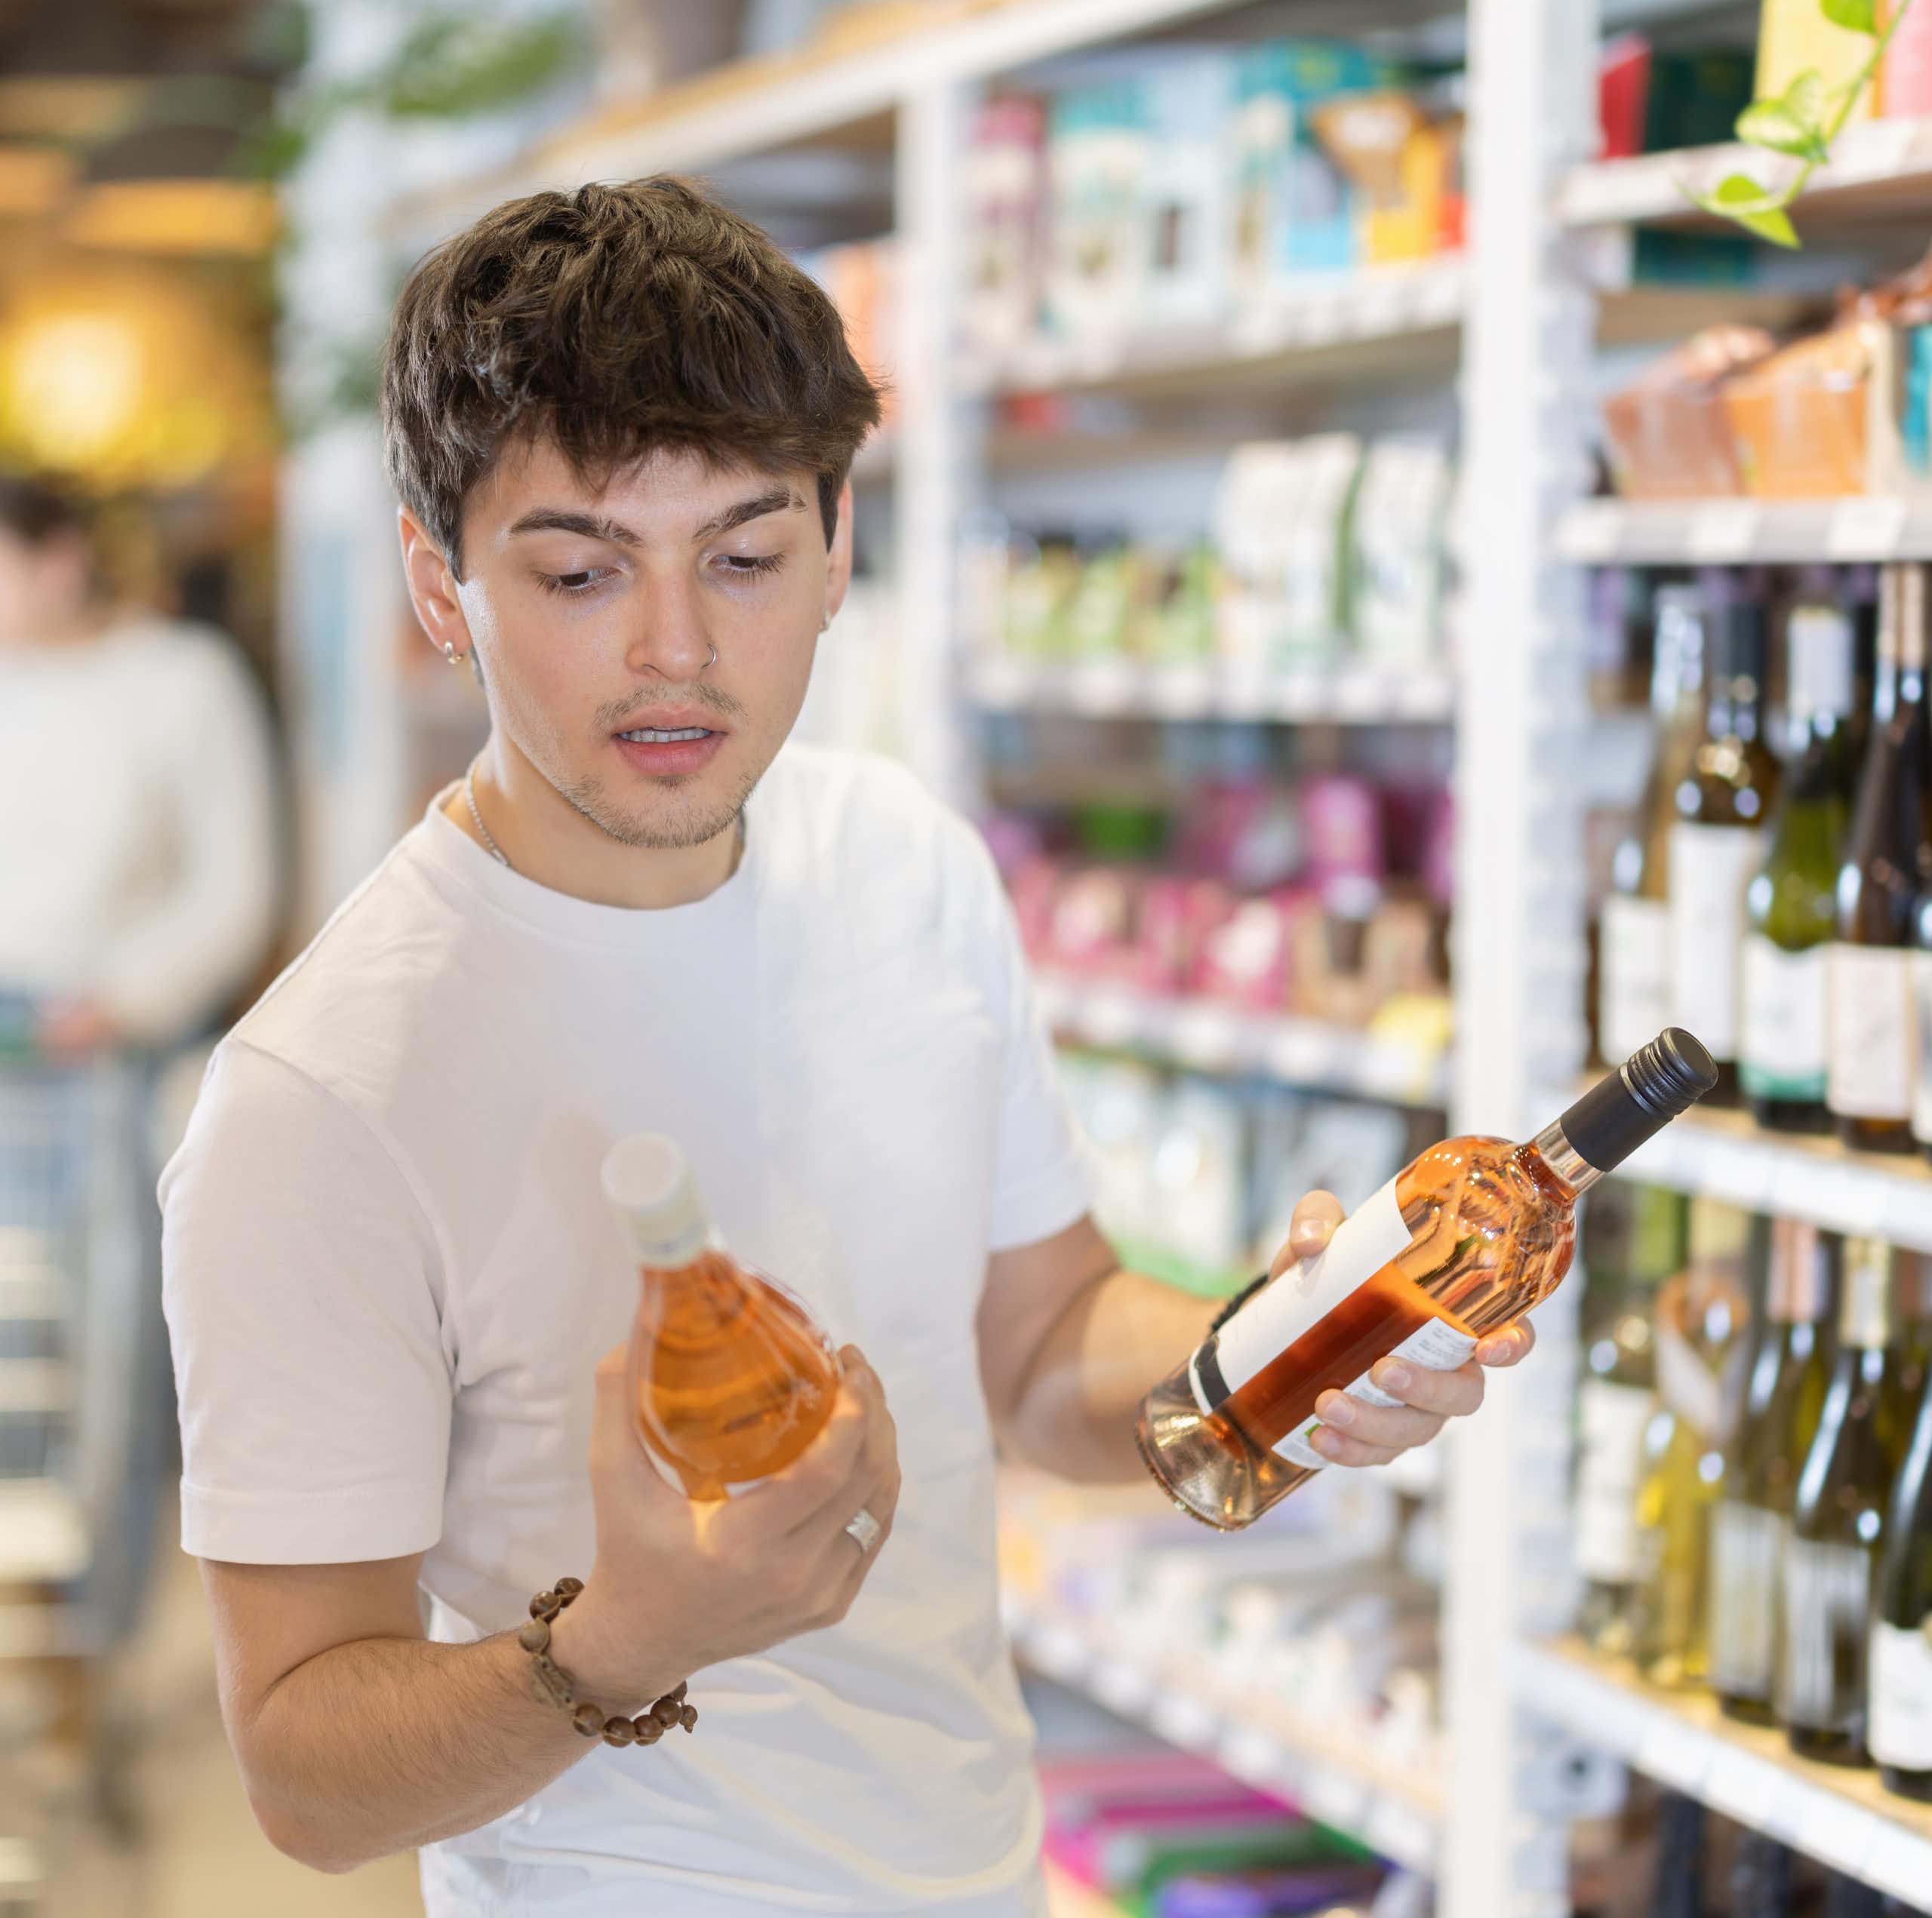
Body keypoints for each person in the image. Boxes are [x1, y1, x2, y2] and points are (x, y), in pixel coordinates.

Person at [159, 179, 1533, 1918]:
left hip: (977, 1871)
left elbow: (1036, 1349)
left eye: (742, 556)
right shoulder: (318, 1097)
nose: (675, 647)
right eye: (580, 569)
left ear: (837, 549)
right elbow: (300, 1766)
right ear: (439, 584)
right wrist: (622, 1642)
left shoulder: (901, 858)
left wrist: (1278, 1345)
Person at [0, 476, 280, 1059]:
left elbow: (237, 889)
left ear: (59, 561)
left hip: (131, 1043)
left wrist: (122, 1003)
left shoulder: (186, 678)